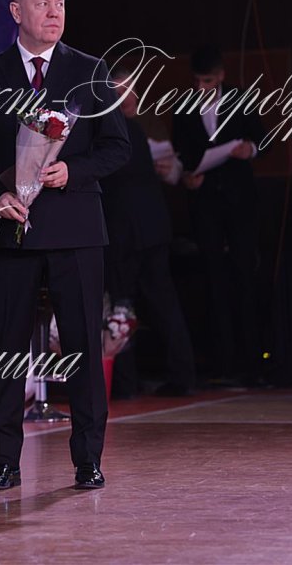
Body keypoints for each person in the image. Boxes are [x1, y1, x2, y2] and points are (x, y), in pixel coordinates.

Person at [0, 0, 129, 491]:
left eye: (60, 5)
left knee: (82, 347)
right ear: (16, 13)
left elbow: (117, 146)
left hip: (75, 229)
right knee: (8, 349)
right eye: (43, 4)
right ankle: (4, 461)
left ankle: (88, 459)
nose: (54, 13)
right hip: (12, 231)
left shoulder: (90, 71)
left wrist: (75, 170)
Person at [171, 46, 265, 384]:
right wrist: (187, 175)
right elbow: (180, 151)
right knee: (213, 279)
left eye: (208, 81)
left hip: (240, 201)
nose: (201, 87)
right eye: (197, 81)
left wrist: (249, 149)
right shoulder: (184, 105)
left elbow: (264, 139)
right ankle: (221, 362)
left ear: (221, 76)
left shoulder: (240, 98)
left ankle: (252, 363)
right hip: (205, 201)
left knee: (244, 276)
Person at [102, 66, 196, 397]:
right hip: (150, 226)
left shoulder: (119, 129)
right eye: (116, 91)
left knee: (125, 303)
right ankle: (175, 376)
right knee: (154, 302)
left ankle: (126, 382)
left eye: (126, 90)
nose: (122, 97)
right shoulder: (133, 128)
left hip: (128, 230)